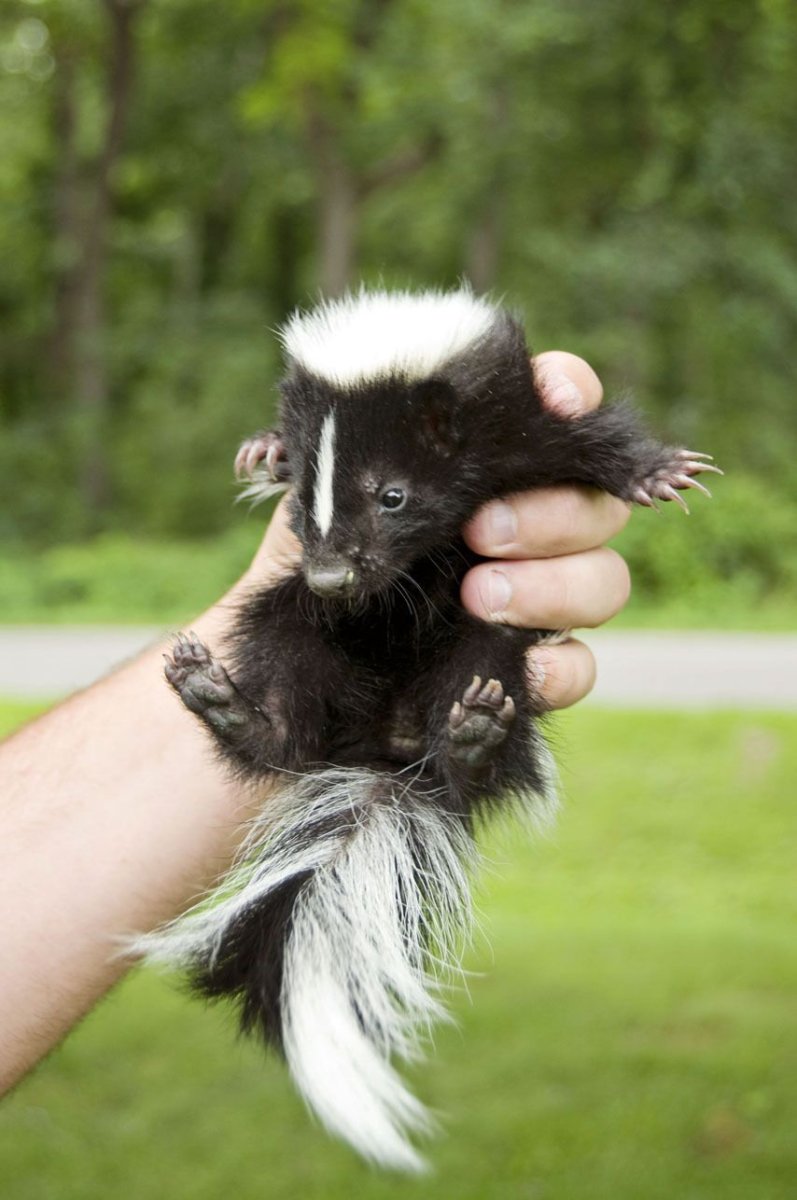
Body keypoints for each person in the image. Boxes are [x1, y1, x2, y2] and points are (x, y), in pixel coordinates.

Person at [0, 351, 631, 1092]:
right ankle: (281, 729)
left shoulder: (484, 424)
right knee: (286, 610)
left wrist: (629, 469)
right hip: (342, 660)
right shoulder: (338, 460)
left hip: (452, 649)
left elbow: (605, 450)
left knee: (488, 644)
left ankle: (457, 749)